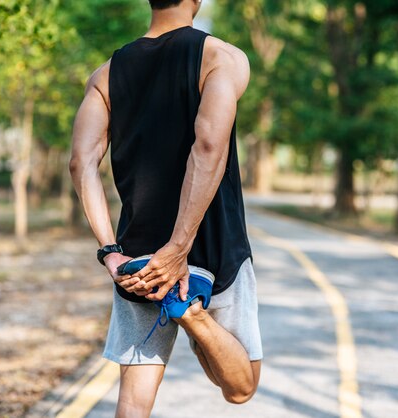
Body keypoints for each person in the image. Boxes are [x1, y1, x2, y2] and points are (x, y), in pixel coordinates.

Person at [69, 0, 262, 416]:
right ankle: (192, 315)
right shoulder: (221, 58)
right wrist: (178, 248)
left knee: (134, 404)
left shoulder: (105, 75)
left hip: (139, 262)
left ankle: (184, 309)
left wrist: (109, 251)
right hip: (215, 245)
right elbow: (208, 145)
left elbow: (81, 163)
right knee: (241, 386)